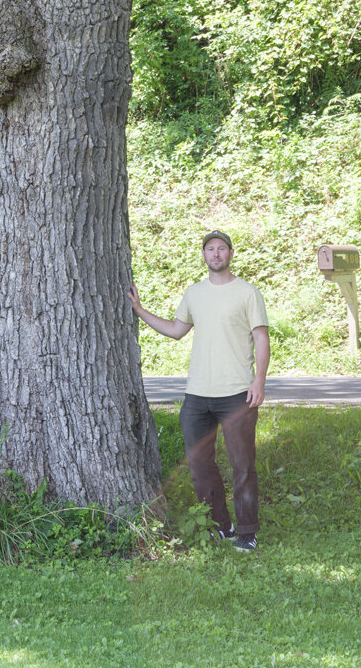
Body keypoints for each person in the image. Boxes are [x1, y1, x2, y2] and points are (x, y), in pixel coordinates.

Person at [129, 230, 270, 551]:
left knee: (242, 465)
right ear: (204, 255)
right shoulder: (194, 293)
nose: (216, 254)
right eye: (210, 249)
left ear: (230, 254)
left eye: (222, 249)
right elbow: (177, 330)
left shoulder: (248, 293)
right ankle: (221, 526)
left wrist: (259, 380)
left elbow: (261, 338)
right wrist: (140, 311)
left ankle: (248, 533)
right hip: (197, 397)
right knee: (199, 463)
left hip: (238, 394)